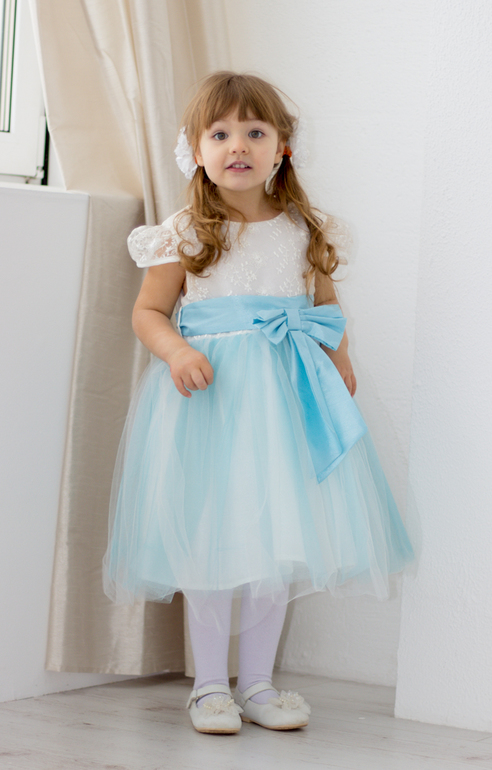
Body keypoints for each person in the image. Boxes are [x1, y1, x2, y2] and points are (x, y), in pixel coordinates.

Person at [102, 71, 414, 735]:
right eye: (219, 134)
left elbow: (325, 309)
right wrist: (176, 352)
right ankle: (210, 687)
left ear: (282, 147)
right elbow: (148, 312)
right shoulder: (185, 233)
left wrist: (339, 359)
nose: (237, 145)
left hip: (287, 407)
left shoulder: (303, 230)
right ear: (195, 150)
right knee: (211, 543)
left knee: (277, 544)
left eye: (254, 131)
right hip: (210, 406)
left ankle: (259, 683)